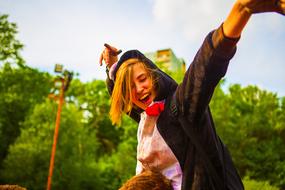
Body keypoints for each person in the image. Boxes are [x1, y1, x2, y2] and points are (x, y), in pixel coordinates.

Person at [99, 0, 285, 189]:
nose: (139, 89)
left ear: (153, 78)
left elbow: (205, 67)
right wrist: (113, 66)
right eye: (130, 87)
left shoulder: (179, 107)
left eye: (142, 79)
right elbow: (118, 96)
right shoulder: (145, 118)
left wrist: (242, 10)